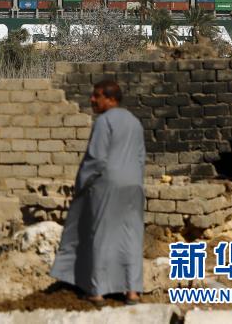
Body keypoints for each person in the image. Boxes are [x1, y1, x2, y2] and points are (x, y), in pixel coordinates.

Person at [51, 79, 145, 304]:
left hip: (108, 185)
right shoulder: (134, 122)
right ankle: (132, 291)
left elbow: (97, 158)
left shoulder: (104, 121)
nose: (92, 99)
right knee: (131, 236)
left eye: (97, 96)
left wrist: (81, 183)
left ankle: (97, 291)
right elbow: (141, 157)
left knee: (101, 235)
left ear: (111, 99)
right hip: (134, 185)